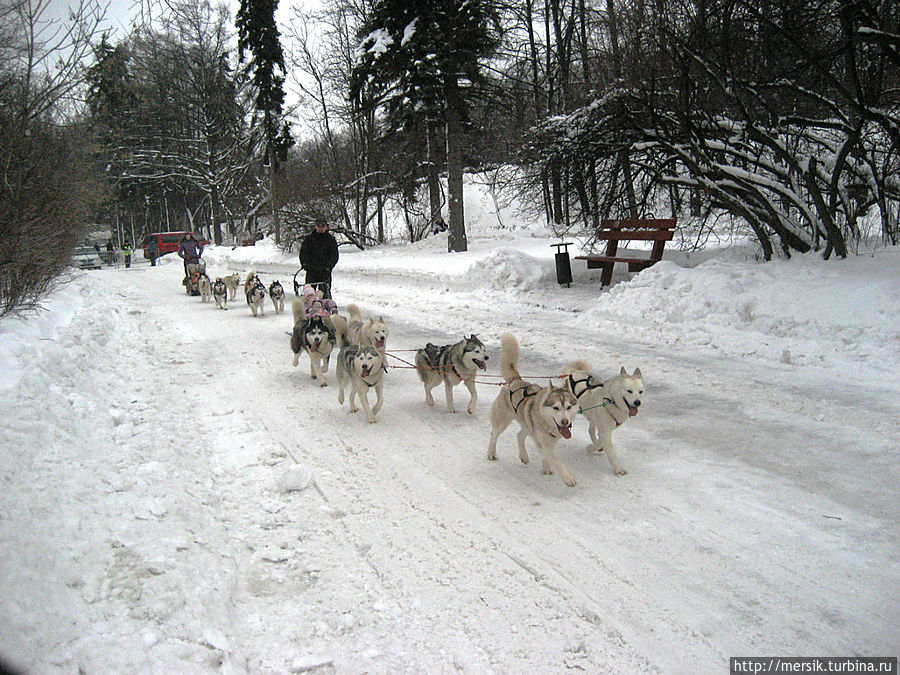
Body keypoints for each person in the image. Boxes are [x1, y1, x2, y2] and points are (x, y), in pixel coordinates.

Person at [299, 218, 339, 300]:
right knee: (309, 293)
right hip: (311, 270)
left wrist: (329, 267)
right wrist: (304, 264)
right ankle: (309, 310)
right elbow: (303, 253)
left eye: (322, 226)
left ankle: (326, 309)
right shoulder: (309, 239)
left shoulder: (331, 240)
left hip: (325, 271)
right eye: (318, 226)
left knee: (325, 293)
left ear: (326, 227)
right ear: (315, 227)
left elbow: (334, 255)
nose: (320, 228)